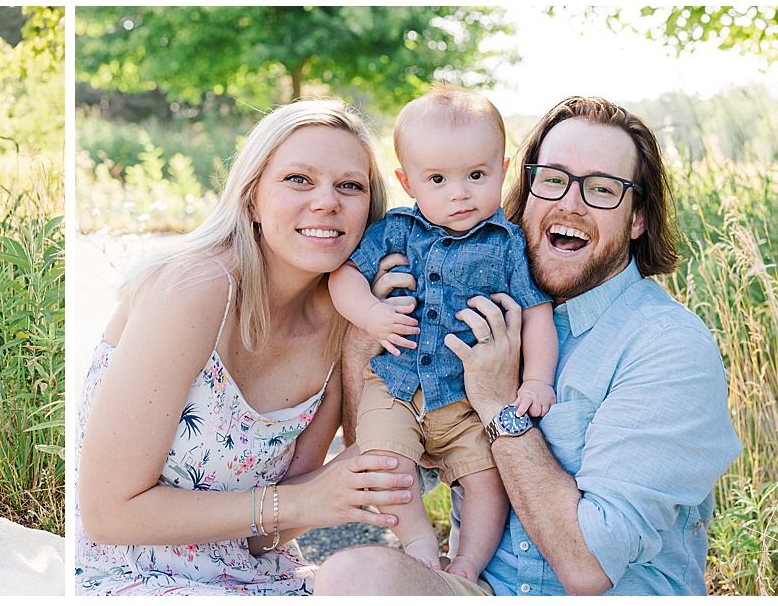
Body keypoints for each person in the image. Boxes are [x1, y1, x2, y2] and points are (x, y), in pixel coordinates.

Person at [315, 96, 742, 596]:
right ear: (528, 185)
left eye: (602, 189)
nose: (570, 204)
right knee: (352, 577)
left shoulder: (665, 346)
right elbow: (378, 454)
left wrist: (498, 404)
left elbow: (587, 568)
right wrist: (370, 329)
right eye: (554, 179)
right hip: (482, 592)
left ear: (637, 220)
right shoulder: (479, 295)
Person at [75, 99, 419, 596]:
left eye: (350, 185)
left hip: (258, 578)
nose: (327, 201)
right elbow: (108, 513)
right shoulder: (194, 288)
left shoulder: (344, 324)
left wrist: (373, 456)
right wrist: (300, 503)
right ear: (252, 198)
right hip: (127, 578)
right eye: (299, 179)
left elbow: (265, 539)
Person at [327, 87, 556, 581]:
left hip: (467, 402)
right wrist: (370, 314)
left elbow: (536, 312)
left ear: (503, 167)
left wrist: (537, 379)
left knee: (488, 481)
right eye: (437, 179)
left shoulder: (507, 243)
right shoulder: (395, 230)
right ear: (407, 182)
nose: (459, 193)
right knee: (383, 464)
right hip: (396, 386)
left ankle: (467, 565)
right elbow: (342, 276)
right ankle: (419, 542)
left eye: (476, 175)